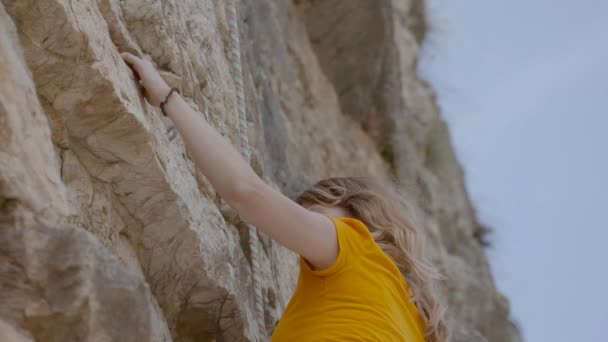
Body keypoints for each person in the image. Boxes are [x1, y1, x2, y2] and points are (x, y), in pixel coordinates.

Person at [120, 52, 448, 342]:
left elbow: (246, 191)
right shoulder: (413, 322)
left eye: (313, 211)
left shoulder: (354, 243)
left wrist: (167, 98)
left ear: (348, 206)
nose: (304, 226)